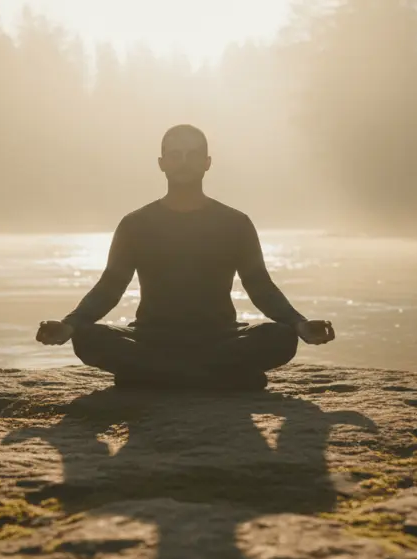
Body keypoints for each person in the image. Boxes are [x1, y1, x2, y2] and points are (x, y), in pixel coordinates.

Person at [35, 124, 335, 389]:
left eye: (192, 155)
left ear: (207, 163)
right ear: (162, 163)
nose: (183, 162)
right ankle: (215, 378)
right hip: (151, 338)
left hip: (220, 337)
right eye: (175, 155)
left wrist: (299, 323)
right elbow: (110, 286)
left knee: (281, 337)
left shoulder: (235, 223)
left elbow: (260, 286)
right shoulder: (135, 224)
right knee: (87, 337)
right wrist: (70, 324)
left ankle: (158, 377)